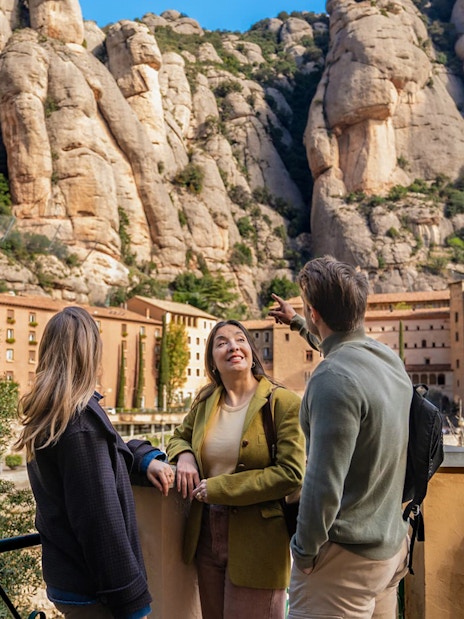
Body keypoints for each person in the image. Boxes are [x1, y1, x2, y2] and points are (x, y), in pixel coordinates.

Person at [15, 306, 174, 619]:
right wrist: (132, 601)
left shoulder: (49, 416)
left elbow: (106, 456)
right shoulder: (80, 425)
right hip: (94, 591)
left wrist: (144, 460)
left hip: (67, 581)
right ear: (89, 353)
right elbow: (99, 522)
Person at [281, 256, 411, 619]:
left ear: (315, 314)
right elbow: (341, 345)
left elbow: (323, 483)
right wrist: (297, 322)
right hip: (388, 550)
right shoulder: (387, 359)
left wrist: (304, 552)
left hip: (343, 561)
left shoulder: (331, 378)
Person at [166, 320, 305, 619]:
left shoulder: (283, 402)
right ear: (213, 362)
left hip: (259, 539)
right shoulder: (205, 402)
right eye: (221, 343)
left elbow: (292, 473)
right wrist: (186, 456)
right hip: (205, 535)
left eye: (240, 339)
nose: (232, 346)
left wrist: (220, 487)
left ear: (252, 353)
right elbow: (178, 437)